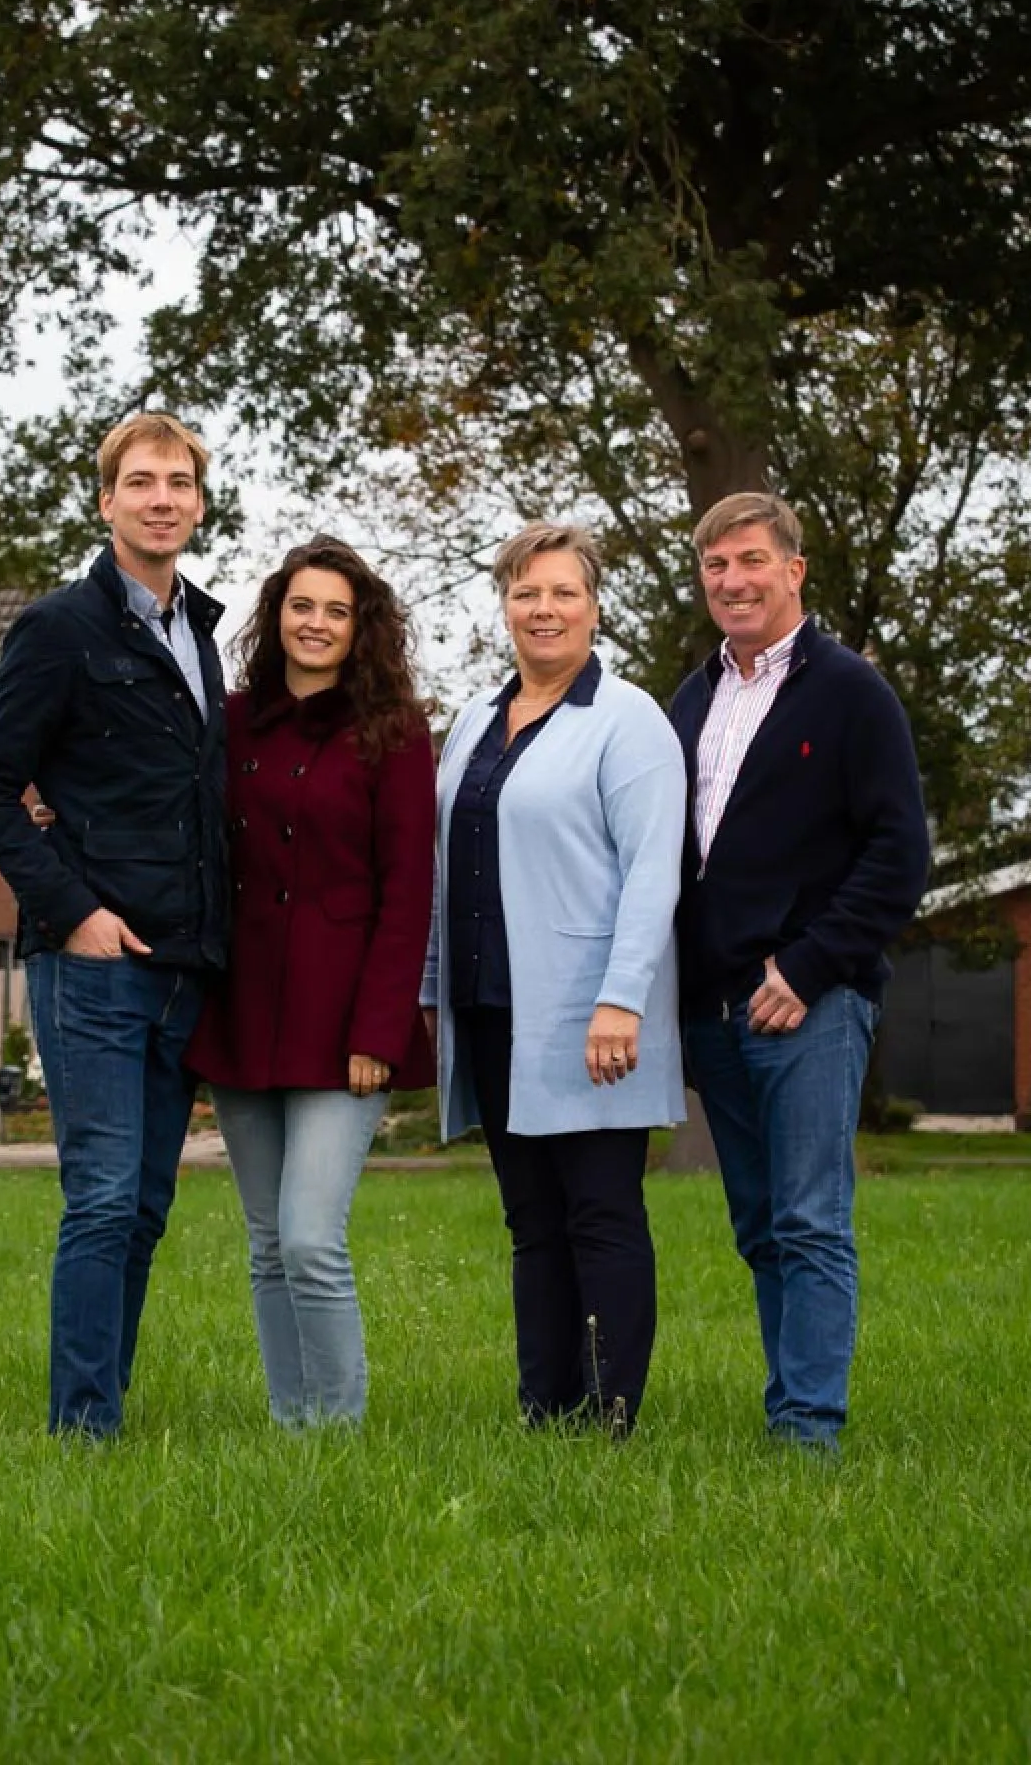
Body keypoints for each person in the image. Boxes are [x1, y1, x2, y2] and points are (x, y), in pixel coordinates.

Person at [0, 410, 227, 1441]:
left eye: (180, 482)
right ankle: (82, 1426)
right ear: (106, 499)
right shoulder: (59, 627)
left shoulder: (199, 630)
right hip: (93, 967)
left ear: (198, 503)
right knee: (104, 1198)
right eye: (142, 480)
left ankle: (103, 1403)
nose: (163, 498)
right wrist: (72, 914)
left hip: (181, 966)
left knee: (147, 1205)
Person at [668, 491, 929, 1456]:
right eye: (714, 567)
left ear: (793, 570)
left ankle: (809, 1431)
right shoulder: (691, 700)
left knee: (811, 1220)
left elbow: (899, 855)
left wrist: (812, 966)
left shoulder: (851, 692)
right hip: (717, 1010)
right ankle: (790, 1405)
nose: (732, 581)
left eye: (749, 561)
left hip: (811, 1002)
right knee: (760, 1229)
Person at [423, 522, 686, 1437]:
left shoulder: (630, 721)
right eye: (526, 592)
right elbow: (445, 863)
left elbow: (654, 871)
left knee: (601, 1215)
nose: (544, 609)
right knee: (532, 1222)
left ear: (594, 606)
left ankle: (612, 1414)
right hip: (492, 1010)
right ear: (505, 606)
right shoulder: (472, 720)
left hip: (590, 1017)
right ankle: (546, 1409)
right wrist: (431, 992)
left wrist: (621, 1000)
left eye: (563, 592)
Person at [186, 538, 436, 1426]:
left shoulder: (396, 735)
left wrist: (380, 1028)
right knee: (264, 1245)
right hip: (244, 1011)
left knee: (308, 1237)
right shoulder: (234, 719)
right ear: (277, 615)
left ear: (360, 626)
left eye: (336, 610)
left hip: (346, 1025)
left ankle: (336, 1428)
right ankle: (292, 1429)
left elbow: (409, 895)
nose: (317, 624)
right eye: (302, 606)